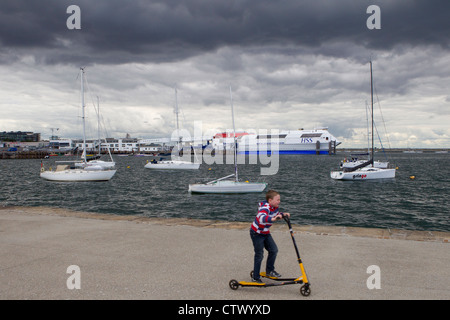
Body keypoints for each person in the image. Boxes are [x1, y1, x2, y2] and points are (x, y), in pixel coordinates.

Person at [250, 189, 290, 283]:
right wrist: (272, 219)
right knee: (259, 255)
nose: (279, 201)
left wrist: (283, 214)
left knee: (274, 250)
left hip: (265, 232)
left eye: (279, 199)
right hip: (257, 233)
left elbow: (276, 215)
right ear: (270, 200)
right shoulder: (265, 207)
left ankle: (269, 271)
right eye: (277, 200)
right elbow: (262, 217)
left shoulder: (275, 207)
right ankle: (255, 277)